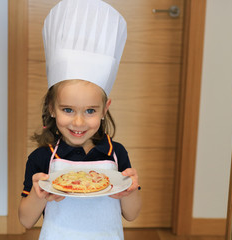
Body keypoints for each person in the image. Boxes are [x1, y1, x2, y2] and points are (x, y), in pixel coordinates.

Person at [18, 0, 141, 239]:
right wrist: (38, 194)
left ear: (105, 109)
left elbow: (132, 214)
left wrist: (131, 190)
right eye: (68, 110)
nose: (78, 122)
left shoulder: (117, 153)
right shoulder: (42, 157)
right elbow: (25, 219)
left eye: (90, 111)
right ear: (52, 108)